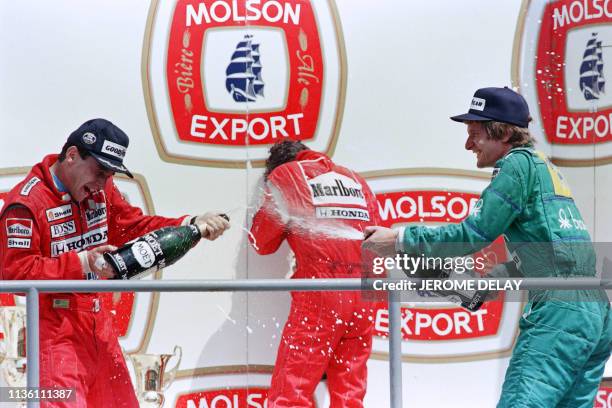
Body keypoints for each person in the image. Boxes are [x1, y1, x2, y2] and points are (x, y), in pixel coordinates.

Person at [363, 86, 612, 408]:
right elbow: (561, 254)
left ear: (504, 133)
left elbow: (472, 235)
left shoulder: (516, 166)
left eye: (475, 134)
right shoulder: (542, 167)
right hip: (595, 309)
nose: (468, 144)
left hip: (561, 310)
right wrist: (485, 282)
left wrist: (399, 239)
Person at [0, 118, 230, 407]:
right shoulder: (26, 203)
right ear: (72, 156)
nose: (102, 184)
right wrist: (82, 262)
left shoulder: (102, 190)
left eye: (110, 175)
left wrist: (188, 224)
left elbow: (132, 225)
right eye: (99, 172)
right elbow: (16, 275)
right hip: (56, 336)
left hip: (100, 328)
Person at [249, 141, 380, 408]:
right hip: (367, 293)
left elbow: (260, 241)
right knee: (350, 394)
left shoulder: (287, 176)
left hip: (321, 295)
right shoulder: (356, 180)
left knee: (291, 392)